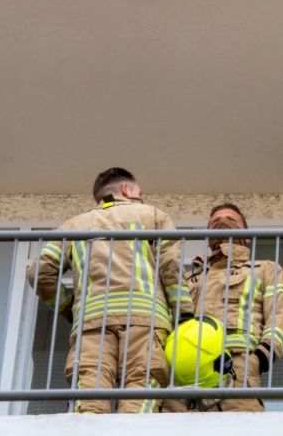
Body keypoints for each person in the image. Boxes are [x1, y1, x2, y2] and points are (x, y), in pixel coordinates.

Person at [27, 167, 194, 414]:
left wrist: (69, 309)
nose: (141, 196)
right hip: (145, 321)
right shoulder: (153, 215)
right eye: (140, 192)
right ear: (126, 189)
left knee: (91, 397)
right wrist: (184, 316)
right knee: (140, 391)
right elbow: (170, 269)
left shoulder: (73, 226)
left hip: (92, 323)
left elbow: (38, 273)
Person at [162, 203, 283, 413]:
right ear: (207, 240)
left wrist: (258, 359)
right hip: (182, 373)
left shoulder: (265, 269)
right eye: (215, 223)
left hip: (235, 366)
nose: (223, 224)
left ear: (247, 236)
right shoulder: (188, 277)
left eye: (232, 221)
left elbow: (282, 319)